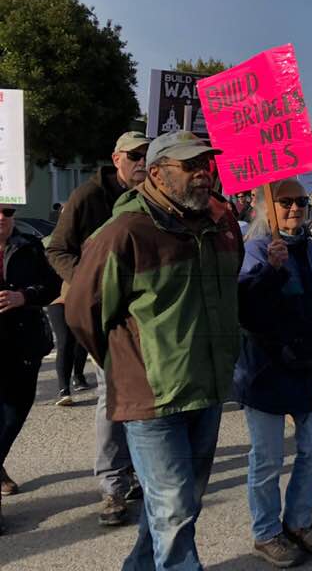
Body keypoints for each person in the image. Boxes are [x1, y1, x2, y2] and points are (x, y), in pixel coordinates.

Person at [66, 130, 243, 570]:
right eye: (191, 166)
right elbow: (82, 312)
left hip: (208, 390)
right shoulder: (125, 232)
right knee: (174, 510)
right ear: (159, 173)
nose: (203, 175)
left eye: (206, 165)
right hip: (152, 400)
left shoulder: (220, 227)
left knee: (180, 505)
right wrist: (125, 364)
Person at [46, 130, 149, 526]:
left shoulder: (150, 198)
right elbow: (57, 248)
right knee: (113, 391)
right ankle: (112, 487)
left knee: (141, 395)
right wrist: (89, 282)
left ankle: (135, 471)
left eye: (147, 154)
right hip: (101, 312)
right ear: (117, 158)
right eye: (134, 155)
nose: (142, 161)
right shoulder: (88, 196)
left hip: (139, 311)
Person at [234, 178, 312, 567]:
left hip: (309, 365)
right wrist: (270, 271)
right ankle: (266, 531)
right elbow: (247, 310)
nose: (294, 209)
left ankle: (298, 520)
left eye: (299, 202)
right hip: (265, 369)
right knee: (268, 458)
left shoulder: (310, 249)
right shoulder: (256, 249)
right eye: (285, 203)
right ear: (267, 209)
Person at [0, 205, 61, 534]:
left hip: (23, 345)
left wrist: (24, 296)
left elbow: (52, 285)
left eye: (7, 211)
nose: (1, 217)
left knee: (14, 414)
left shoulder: (29, 245)